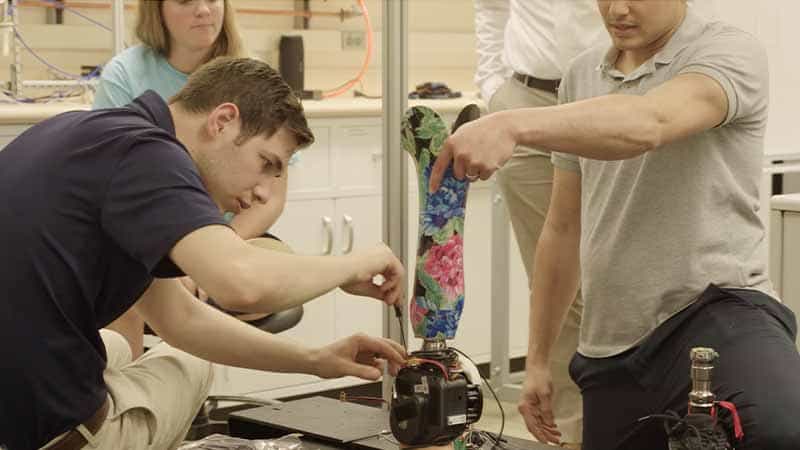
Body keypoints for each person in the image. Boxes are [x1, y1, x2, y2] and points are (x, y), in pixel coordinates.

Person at [435, 1, 800, 449]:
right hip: (611, 347)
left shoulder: (727, 52)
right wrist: (538, 361)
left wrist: (511, 123)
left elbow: (649, 122)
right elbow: (562, 228)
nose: (618, 9)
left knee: (779, 431)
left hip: (717, 309)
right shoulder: (582, 74)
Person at [0, 57, 407, 450]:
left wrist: (316, 359)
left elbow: (180, 318)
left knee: (121, 347)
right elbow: (239, 283)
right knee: (188, 364)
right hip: (45, 433)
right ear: (223, 120)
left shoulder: (93, 133)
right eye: (267, 163)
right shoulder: (149, 155)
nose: (265, 190)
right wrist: (354, 263)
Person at [93, 0, 291, 358]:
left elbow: (271, 196)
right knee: (123, 294)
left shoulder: (254, 78)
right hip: (148, 241)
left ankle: (179, 385)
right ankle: (136, 401)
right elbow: (115, 182)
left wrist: (213, 255)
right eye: (186, 0)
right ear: (158, 11)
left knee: (271, 278)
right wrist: (179, 255)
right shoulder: (125, 74)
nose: (203, 10)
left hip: (231, 235)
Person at [473, 1, 608, 445]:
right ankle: (572, 435)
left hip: (605, 98)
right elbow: (491, 8)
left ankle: (616, 425)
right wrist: (494, 88)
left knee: (606, 279)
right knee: (553, 288)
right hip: (525, 99)